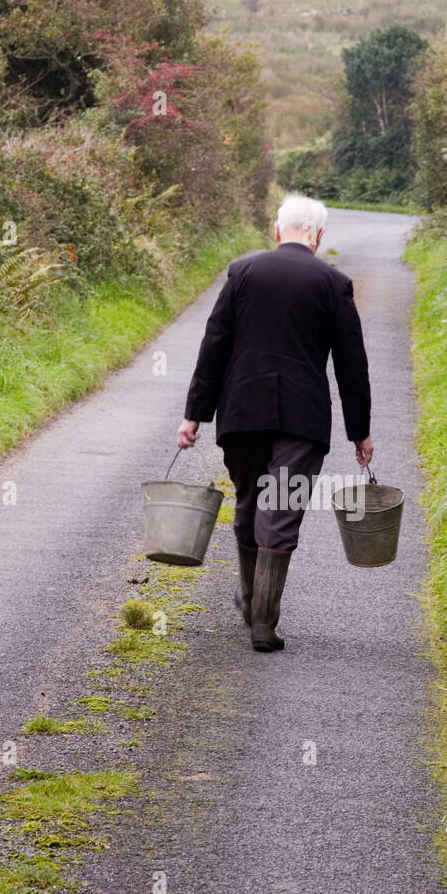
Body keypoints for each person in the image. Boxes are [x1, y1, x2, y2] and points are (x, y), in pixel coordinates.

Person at [176, 193, 373, 652]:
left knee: (250, 500)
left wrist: (194, 415)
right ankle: (263, 624)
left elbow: (214, 346)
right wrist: (359, 431)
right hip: (302, 419)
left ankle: (251, 603)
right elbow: (352, 366)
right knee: (281, 505)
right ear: (318, 236)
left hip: (242, 413)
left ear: (276, 229)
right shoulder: (334, 283)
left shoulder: (243, 272)